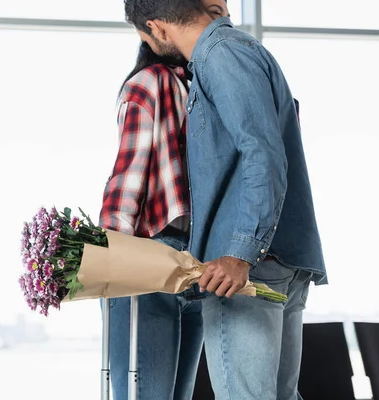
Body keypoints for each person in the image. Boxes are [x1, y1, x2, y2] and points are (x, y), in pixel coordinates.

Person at [122, 1, 327, 399]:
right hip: (277, 257)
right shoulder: (240, 52)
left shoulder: (220, 55)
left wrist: (239, 253)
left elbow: (262, 155)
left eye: (144, 36)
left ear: (158, 29)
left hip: (247, 267)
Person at [98, 2, 230, 399]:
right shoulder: (202, 88)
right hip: (196, 263)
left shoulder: (146, 83)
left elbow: (128, 176)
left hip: (149, 260)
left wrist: (108, 256)